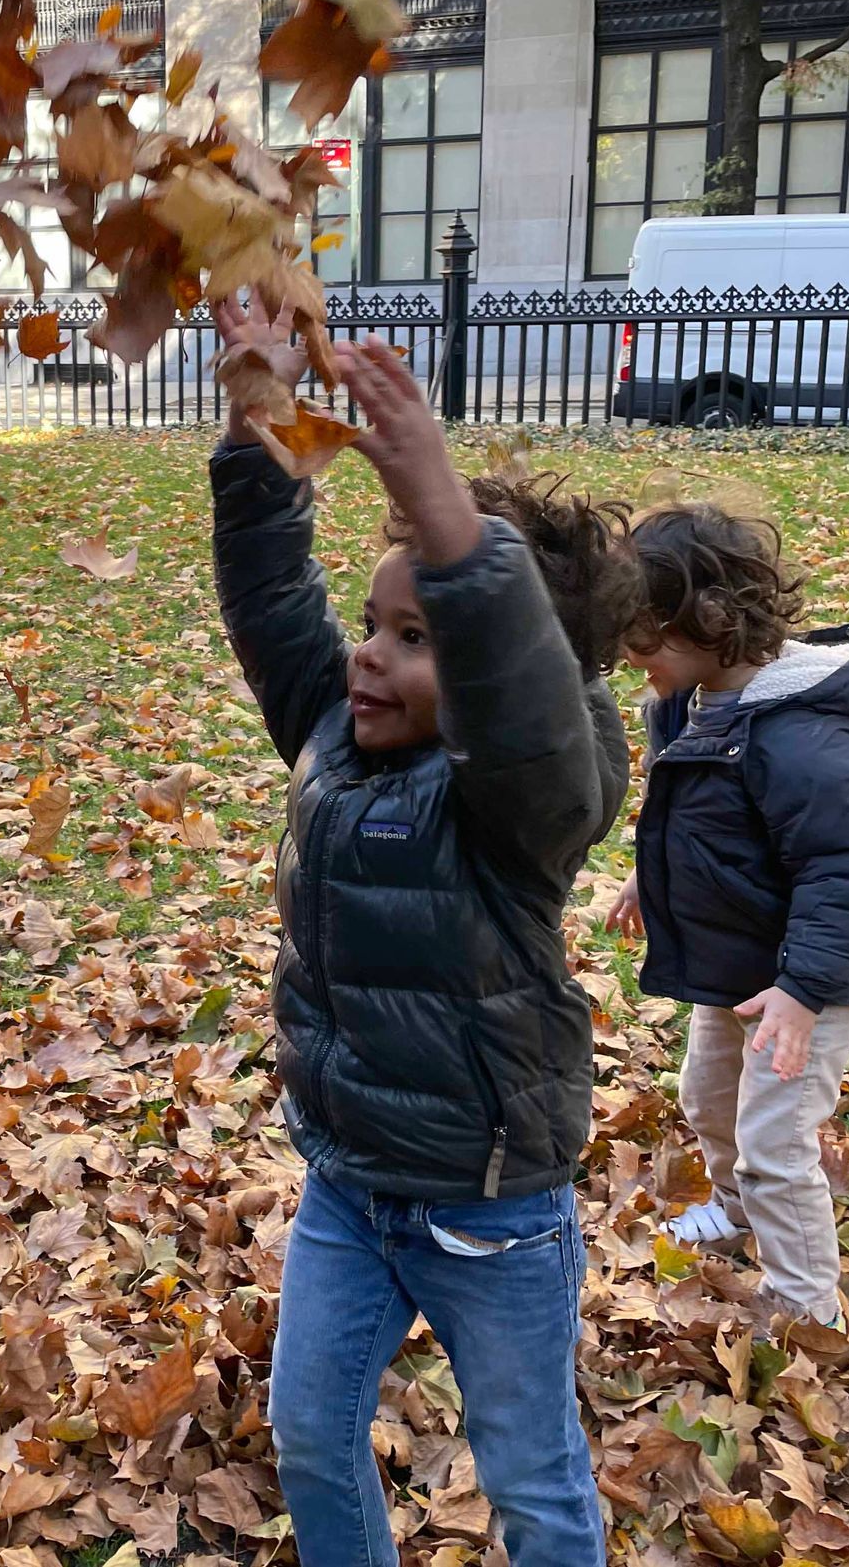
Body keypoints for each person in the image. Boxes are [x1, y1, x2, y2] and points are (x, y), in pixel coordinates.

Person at [211, 309, 637, 1566]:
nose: (368, 656)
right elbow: (270, 593)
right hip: (350, 1182)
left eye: (417, 635)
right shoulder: (336, 727)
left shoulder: (529, 799)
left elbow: (523, 705)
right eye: (375, 621)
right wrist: (261, 424)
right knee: (308, 1433)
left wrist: (446, 513)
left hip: (492, 1209)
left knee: (531, 1474)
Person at [607, 502, 849, 1331]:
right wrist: (654, 879)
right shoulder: (697, 699)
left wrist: (804, 988)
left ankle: (806, 1305)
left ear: (705, 623)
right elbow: (692, 815)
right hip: (743, 954)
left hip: (816, 970)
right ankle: (742, 1210)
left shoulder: (806, 733)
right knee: (710, 1095)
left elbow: (847, 868)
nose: (627, 656)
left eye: (639, 637)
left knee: (776, 1137)